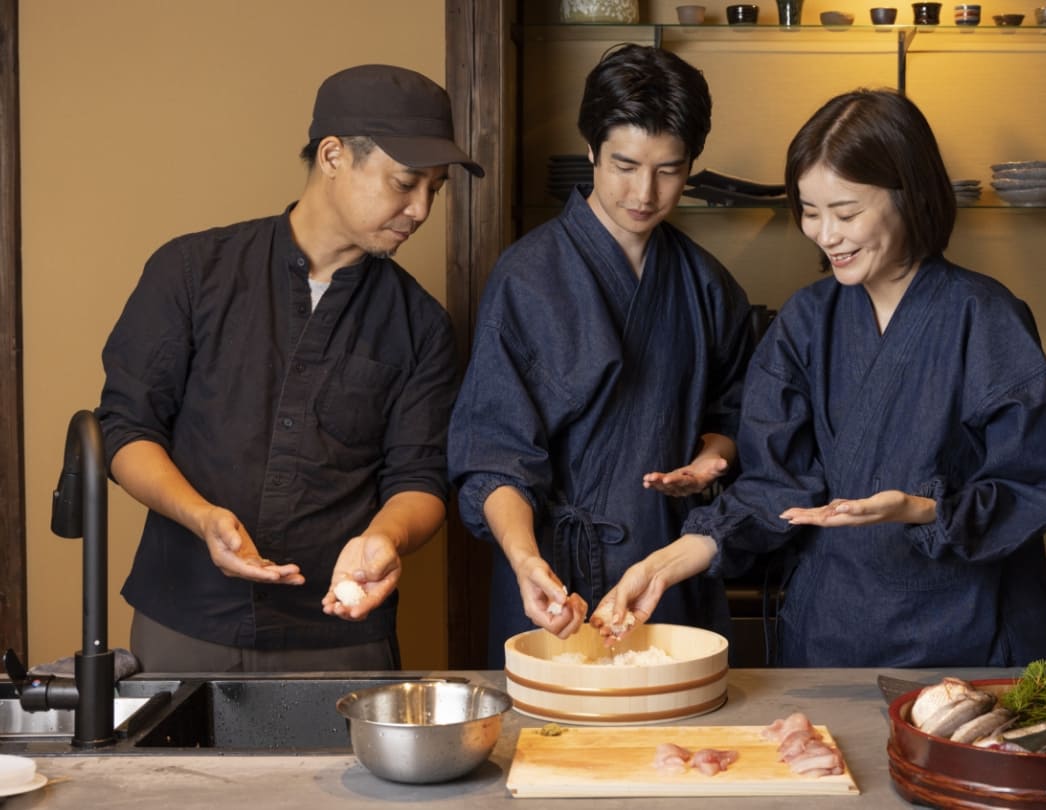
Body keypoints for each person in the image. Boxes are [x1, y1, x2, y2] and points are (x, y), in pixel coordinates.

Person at [592, 89, 1046, 667]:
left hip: (965, 633)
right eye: (809, 211)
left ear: (910, 196)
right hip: (832, 630)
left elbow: (1037, 482)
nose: (826, 235)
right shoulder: (806, 320)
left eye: (847, 213)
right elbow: (776, 485)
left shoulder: (984, 317)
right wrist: (663, 563)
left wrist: (921, 509)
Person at [96, 64, 481, 671]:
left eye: (435, 188)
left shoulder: (421, 324)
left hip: (341, 633)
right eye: (405, 182)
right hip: (186, 616)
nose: (421, 208)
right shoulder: (192, 271)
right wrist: (202, 518)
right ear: (333, 156)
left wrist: (386, 537)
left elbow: (421, 477)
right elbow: (125, 430)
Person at [446, 44, 757, 666]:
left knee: (675, 745)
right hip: (551, 583)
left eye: (669, 170)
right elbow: (491, 457)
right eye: (624, 164)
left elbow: (738, 421)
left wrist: (709, 462)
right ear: (589, 150)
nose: (645, 192)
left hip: (664, 571)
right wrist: (524, 558)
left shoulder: (707, 285)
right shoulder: (527, 278)